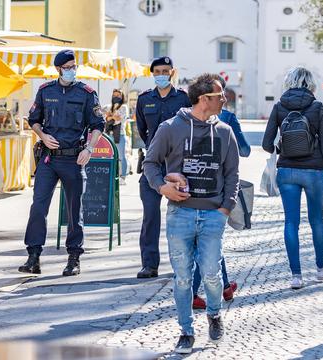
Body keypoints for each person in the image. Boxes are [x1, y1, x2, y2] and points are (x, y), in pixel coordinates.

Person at [144, 73, 239, 353]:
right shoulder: (171, 127)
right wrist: (163, 188)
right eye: (219, 95)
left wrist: (225, 209)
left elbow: (232, 174)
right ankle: (186, 331)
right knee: (183, 277)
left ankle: (213, 313)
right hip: (180, 215)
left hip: (212, 215)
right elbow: (150, 163)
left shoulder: (224, 131)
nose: (224, 99)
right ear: (203, 99)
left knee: (211, 273)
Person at [18, 49, 105, 277]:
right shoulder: (46, 91)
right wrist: (42, 135)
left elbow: (98, 124)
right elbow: (33, 120)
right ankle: (33, 256)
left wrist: (89, 148)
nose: (71, 70)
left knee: (74, 210)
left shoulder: (86, 93)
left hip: (73, 158)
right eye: (67, 67)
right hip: (49, 158)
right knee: (38, 206)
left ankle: (74, 258)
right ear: (58, 69)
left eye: (74, 66)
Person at [262, 67, 323, 289]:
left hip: (287, 171)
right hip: (315, 171)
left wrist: (282, 146)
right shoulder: (317, 107)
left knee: (291, 223)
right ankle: (320, 270)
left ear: (289, 82)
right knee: (317, 221)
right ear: (310, 84)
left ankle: (296, 276)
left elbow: (266, 145)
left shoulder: (279, 107)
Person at [191, 74, 249, 309]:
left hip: (193, 186)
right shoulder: (228, 119)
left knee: (206, 239)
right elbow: (244, 150)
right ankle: (195, 290)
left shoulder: (190, 116)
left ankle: (224, 286)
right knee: (209, 240)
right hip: (217, 187)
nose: (224, 100)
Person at [135, 56, 191, 279]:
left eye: (165, 71)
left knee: (182, 216)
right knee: (150, 216)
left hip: (179, 165)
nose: (161, 74)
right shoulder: (144, 99)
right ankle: (149, 264)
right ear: (152, 74)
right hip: (152, 165)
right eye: (157, 71)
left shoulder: (184, 99)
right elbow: (142, 130)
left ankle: (183, 264)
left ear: (172, 73)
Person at [103, 89, 130, 184]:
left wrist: (110, 116)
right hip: (109, 134)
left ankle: (123, 177)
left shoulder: (124, 107)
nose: (116, 97)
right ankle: (112, 174)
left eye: (118, 95)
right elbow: (103, 117)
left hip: (120, 134)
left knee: (122, 156)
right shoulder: (108, 106)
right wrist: (111, 117)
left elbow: (120, 120)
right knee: (109, 156)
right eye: (114, 95)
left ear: (122, 97)